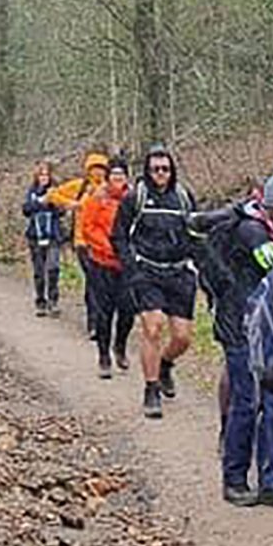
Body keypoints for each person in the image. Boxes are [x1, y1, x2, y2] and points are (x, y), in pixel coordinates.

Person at [191, 169, 273, 511]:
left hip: (268, 325)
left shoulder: (264, 228)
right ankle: (235, 478)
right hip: (241, 325)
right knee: (247, 400)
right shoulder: (253, 232)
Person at [113, 146, 199, 419]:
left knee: (183, 337)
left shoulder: (184, 198)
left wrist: (203, 269)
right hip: (147, 271)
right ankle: (151, 390)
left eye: (165, 169)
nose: (160, 174)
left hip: (178, 272)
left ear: (172, 170)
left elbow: (197, 235)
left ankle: (165, 364)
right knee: (153, 327)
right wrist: (132, 268)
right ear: (147, 172)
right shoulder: (135, 198)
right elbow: (119, 236)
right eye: (155, 169)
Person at [76, 161, 136, 378]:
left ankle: (120, 346)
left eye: (122, 174)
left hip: (128, 264)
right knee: (104, 311)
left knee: (128, 310)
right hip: (102, 263)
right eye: (115, 174)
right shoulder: (97, 199)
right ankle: (103, 355)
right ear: (108, 177)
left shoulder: (134, 199)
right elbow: (88, 227)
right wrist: (110, 247)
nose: (118, 178)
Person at [47, 151, 114, 341]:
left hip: (105, 244)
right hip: (82, 243)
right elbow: (53, 195)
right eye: (94, 169)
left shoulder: (109, 189)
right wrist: (72, 204)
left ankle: (102, 321)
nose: (98, 173)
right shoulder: (79, 186)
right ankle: (94, 324)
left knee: (103, 283)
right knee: (93, 280)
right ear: (88, 170)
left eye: (101, 169)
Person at [21, 163, 67, 317]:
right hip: (36, 236)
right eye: (41, 175)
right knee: (39, 271)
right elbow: (26, 210)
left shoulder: (56, 191)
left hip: (53, 235)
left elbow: (62, 210)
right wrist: (40, 202)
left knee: (53, 268)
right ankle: (40, 301)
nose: (43, 178)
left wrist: (53, 202)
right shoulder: (32, 192)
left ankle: (53, 301)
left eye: (46, 175)